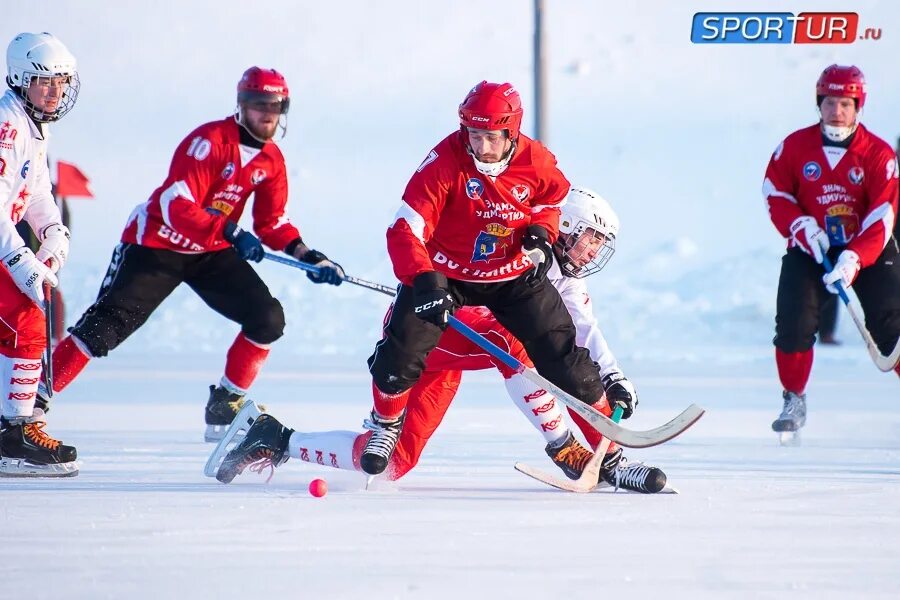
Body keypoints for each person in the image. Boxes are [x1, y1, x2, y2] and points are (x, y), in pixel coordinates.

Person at [211, 188, 667, 493]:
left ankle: (272, 437)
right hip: (429, 335)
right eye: (590, 239)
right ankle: (567, 448)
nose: (592, 252)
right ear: (564, 226)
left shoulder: (565, 282)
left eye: (599, 244)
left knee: (392, 466)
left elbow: (583, 331)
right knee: (521, 342)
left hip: (467, 351)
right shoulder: (511, 244)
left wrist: (614, 376)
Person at [34, 66, 345, 442]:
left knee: (267, 318)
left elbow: (273, 223)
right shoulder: (210, 141)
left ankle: (226, 402)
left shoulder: (272, 161)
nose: (268, 113)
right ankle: (28, 406)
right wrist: (230, 229)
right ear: (241, 105)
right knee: (103, 330)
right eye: (259, 103)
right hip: (156, 245)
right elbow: (174, 203)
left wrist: (311, 257)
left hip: (209, 251)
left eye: (276, 106)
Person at [358, 81, 636, 476]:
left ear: (512, 133)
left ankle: (611, 457)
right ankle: (385, 426)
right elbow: (405, 228)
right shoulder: (444, 162)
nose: (481, 148)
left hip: (511, 276)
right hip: (446, 274)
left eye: (491, 138)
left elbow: (552, 199)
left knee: (565, 360)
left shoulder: (536, 160)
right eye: (473, 135)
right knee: (398, 355)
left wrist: (542, 234)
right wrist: (423, 279)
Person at [763, 64, 900, 436]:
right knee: (793, 324)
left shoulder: (878, 153)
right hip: (811, 249)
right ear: (818, 104)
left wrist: (855, 257)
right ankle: (794, 397)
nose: (836, 111)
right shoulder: (794, 146)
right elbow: (775, 192)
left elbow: (883, 214)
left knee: (891, 326)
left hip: (866, 252)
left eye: (844, 103)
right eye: (829, 103)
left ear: (858, 106)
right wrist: (799, 225)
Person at [0, 32, 80, 476]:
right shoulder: (7, 125)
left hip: (5, 239)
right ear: (19, 79)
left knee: (20, 323)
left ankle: (13, 423)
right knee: (28, 318)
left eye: (62, 82)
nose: (55, 91)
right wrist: (19, 260)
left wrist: (53, 230)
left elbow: (35, 192)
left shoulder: (34, 124)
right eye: (44, 81)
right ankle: (14, 430)